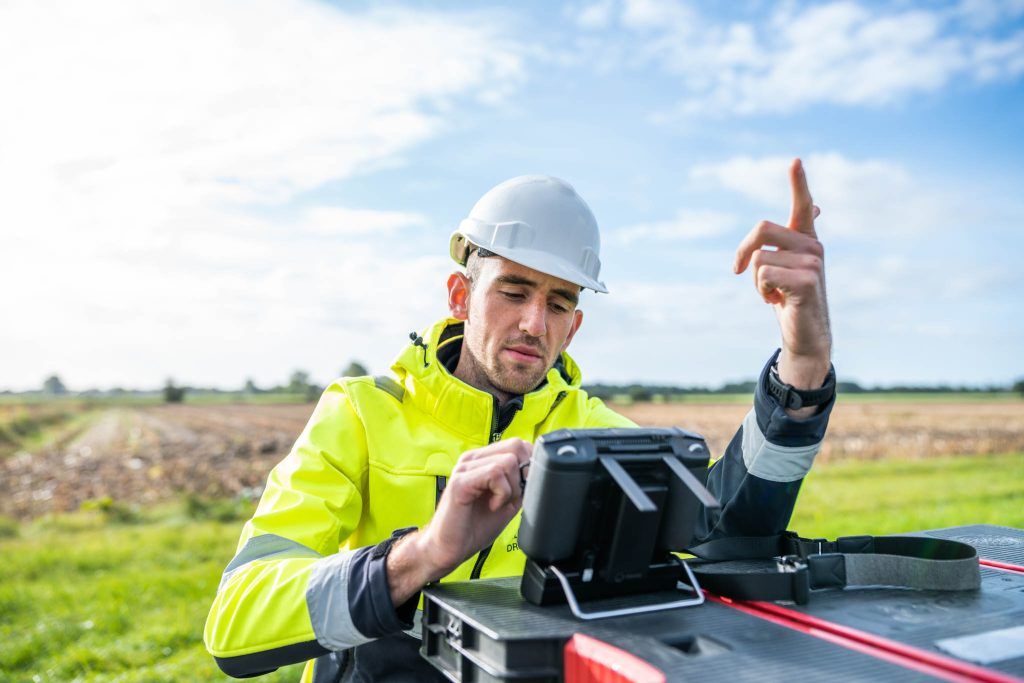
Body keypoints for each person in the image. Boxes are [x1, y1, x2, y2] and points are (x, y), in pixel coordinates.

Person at [204, 161, 835, 682]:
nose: (535, 322)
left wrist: (803, 365)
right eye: (513, 291)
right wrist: (421, 554)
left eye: (559, 302)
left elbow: (723, 536)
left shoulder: (592, 433)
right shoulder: (361, 412)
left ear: (574, 326)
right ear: (460, 296)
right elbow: (237, 622)